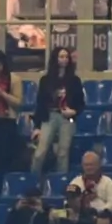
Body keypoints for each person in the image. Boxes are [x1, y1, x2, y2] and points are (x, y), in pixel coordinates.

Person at [31, 47, 84, 176]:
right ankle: (33, 180)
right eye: (61, 56)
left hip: (67, 118)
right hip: (49, 116)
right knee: (40, 152)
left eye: (66, 57)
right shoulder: (46, 80)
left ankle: (60, 182)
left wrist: (74, 111)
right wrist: (37, 126)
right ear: (55, 59)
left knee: (63, 153)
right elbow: (40, 103)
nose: (64, 59)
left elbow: (81, 103)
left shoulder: (75, 80)